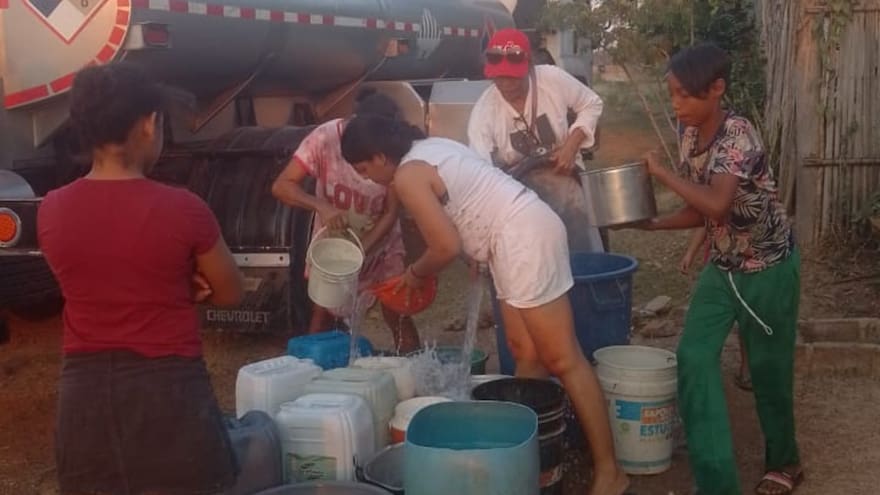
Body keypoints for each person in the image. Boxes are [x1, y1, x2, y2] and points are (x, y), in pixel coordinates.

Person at [339, 114, 631, 495]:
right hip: (513, 239)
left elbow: (444, 246)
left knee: (563, 358)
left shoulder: (407, 175)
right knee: (525, 352)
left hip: (524, 237)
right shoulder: (432, 149)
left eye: (363, 168)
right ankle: (519, 451)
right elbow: (470, 203)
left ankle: (610, 472)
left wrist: (414, 274)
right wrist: (474, 251)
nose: (366, 177)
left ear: (379, 156)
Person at [37, 62, 244, 494]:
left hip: (84, 397)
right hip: (168, 392)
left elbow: (95, 283)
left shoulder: (52, 209)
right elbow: (230, 292)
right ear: (150, 125)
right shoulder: (184, 209)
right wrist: (184, 284)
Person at [628, 43, 802, 495]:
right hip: (723, 266)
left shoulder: (738, 135)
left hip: (768, 267)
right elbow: (704, 212)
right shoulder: (690, 136)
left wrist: (662, 174)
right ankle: (715, 482)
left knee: (767, 370)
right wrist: (656, 224)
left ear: (717, 89)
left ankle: (785, 461)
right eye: (672, 94)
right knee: (694, 357)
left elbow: (719, 203)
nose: (676, 104)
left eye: (685, 95)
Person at [271, 90, 420, 353]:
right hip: (333, 247)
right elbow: (281, 186)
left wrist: (362, 249)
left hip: (381, 245)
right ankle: (315, 376)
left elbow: (390, 212)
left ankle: (415, 377)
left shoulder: (392, 153)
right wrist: (321, 206)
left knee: (397, 314)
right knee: (324, 313)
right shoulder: (324, 139)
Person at [467, 27, 606, 253]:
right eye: (499, 77)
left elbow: (592, 104)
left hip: (566, 177)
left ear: (529, 65)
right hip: (515, 189)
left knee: (576, 218)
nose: (506, 85)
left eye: (513, 76)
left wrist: (571, 146)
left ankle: (587, 273)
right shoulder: (484, 111)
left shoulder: (551, 78)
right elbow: (478, 172)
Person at [681, 228, 752, 391]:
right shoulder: (715, 207)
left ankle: (746, 371)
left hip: (750, 267)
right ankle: (708, 370)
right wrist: (690, 253)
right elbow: (703, 223)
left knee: (747, 320)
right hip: (720, 266)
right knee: (712, 323)